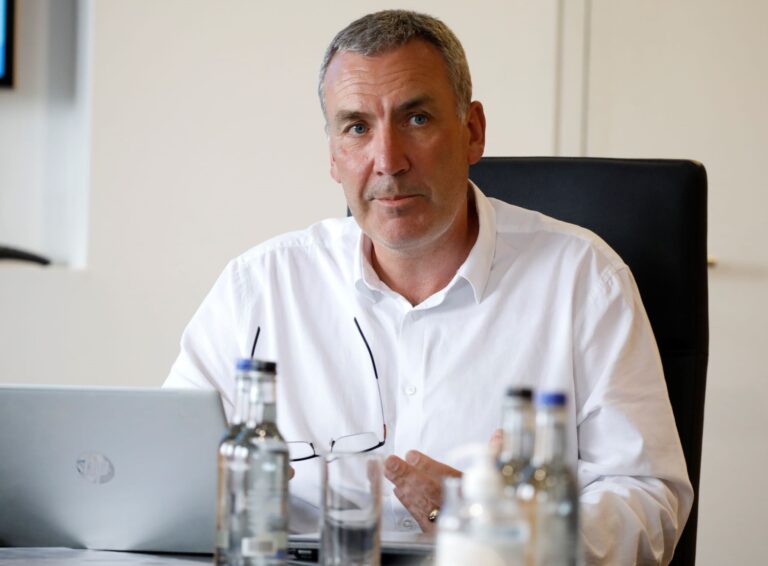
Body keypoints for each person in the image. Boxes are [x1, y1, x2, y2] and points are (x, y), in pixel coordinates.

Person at [165, 10, 692, 564]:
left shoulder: (584, 280)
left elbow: (648, 500)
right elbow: (162, 472)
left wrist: (494, 521)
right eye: (357, 127)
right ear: (333, 153)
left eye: (416, 119)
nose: (388, 161)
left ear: (473, 132)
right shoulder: (259, 286)